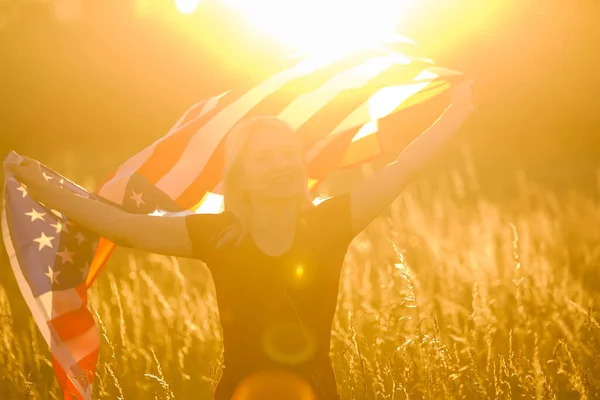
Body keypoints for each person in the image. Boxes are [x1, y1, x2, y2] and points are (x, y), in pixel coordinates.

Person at [5, 80, 473, 399]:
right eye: (266, 156)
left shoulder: (332, 223)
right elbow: (121, 226)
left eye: (289, 153)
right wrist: (42, 185)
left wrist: (458, 109)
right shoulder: (216, 234)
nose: (283, 163)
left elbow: (404, 167)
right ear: (242, 173)